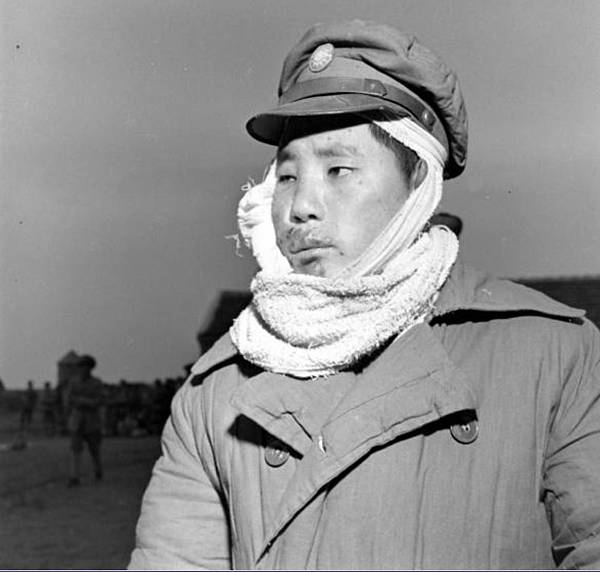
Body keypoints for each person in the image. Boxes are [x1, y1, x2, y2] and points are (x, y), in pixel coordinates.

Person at [129, 20, 600, 569]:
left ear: (418, 185)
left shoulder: (554, 356)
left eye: (338, 169)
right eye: (287, 177)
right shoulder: (215, 391)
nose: (300, 207)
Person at [66, 354, 104, 487]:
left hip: (92, 421)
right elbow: (69, 399)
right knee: (75, 449)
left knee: (94, 449)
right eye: (80, 366)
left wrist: (82, 400)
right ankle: (74, 476)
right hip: (77, 420)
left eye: (85, 366)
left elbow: (98, 401)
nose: (82, 369)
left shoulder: (96, 383)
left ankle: (98, 470)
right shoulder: (73, 382)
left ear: (90, 368)